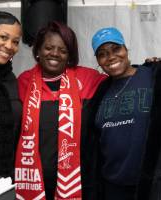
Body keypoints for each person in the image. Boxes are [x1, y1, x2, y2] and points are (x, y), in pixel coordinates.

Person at [88, 27, 161, 200]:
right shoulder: (99, 93)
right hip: (113, 190)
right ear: (98, 61)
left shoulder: (160, 77)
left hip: (158, 188)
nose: (111, 57)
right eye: (103, 54)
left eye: (116, 49)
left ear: (126, 49)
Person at [14, 21, 106, 200]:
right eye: (48, 47)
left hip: (78, 184)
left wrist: (151, 67)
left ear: (70, 55)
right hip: (35, 183)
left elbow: (122, 78)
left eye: (63, 50)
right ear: (38, 50)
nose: (55, 54)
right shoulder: (23, 82)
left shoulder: (87, 78)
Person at [0, 11, 22, 179]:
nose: (9, 46)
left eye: (15, 42)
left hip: (6, 179)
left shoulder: (12, 80)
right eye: (3, 37)